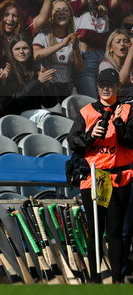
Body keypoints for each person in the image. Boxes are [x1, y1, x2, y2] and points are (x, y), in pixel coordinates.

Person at [67, 67, 133, 282]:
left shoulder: (127, 110)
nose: (106, 88)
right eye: (102, 84)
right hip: (94, 178)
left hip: (118, 178)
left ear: (117, 87)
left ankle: (116, 280)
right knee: (95, 231)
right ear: (97, 87)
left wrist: (120, 127)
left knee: (115, 232)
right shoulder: (86, 111)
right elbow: (73, 142)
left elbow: (131, 141)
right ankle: (95, 279)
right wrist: (90, 135)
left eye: (110, 85)